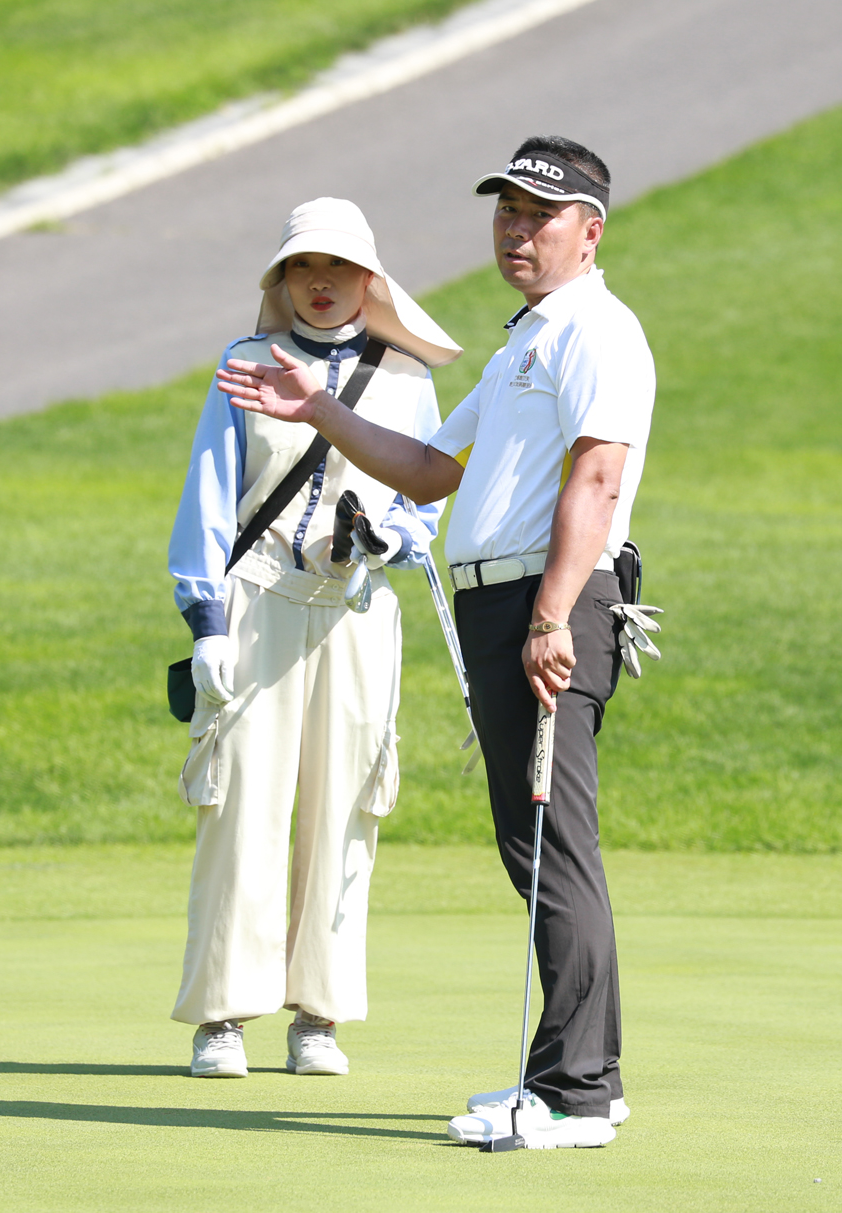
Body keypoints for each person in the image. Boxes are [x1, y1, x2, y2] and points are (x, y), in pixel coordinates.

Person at [217, 137, 656, 1148]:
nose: (516, 230)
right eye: (506, 211)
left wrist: (550, 616)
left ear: (589, 232)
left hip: (549, 602)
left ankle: (575, 1094)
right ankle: (580, 1077)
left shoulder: (597, 330)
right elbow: (425, 470)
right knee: (535, 847)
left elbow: (596, 478)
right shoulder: (520, 345)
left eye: (539, 215)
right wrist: (321, 409)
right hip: (502, 605)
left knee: (552, 846)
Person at [168, 197, 461, 1079]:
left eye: (338, 268)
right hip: (256, 600)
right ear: (282, 278)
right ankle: (223, 1017)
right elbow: (209, 497)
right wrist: (206, 623)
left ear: (370, 280)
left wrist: (384, 541)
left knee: (346, 807)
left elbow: (424, 503)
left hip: (357, 609)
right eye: (303, 266)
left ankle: (319, 1017)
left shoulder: (407, 379)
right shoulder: (245, 364)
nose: (321, 283)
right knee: (241, 804)